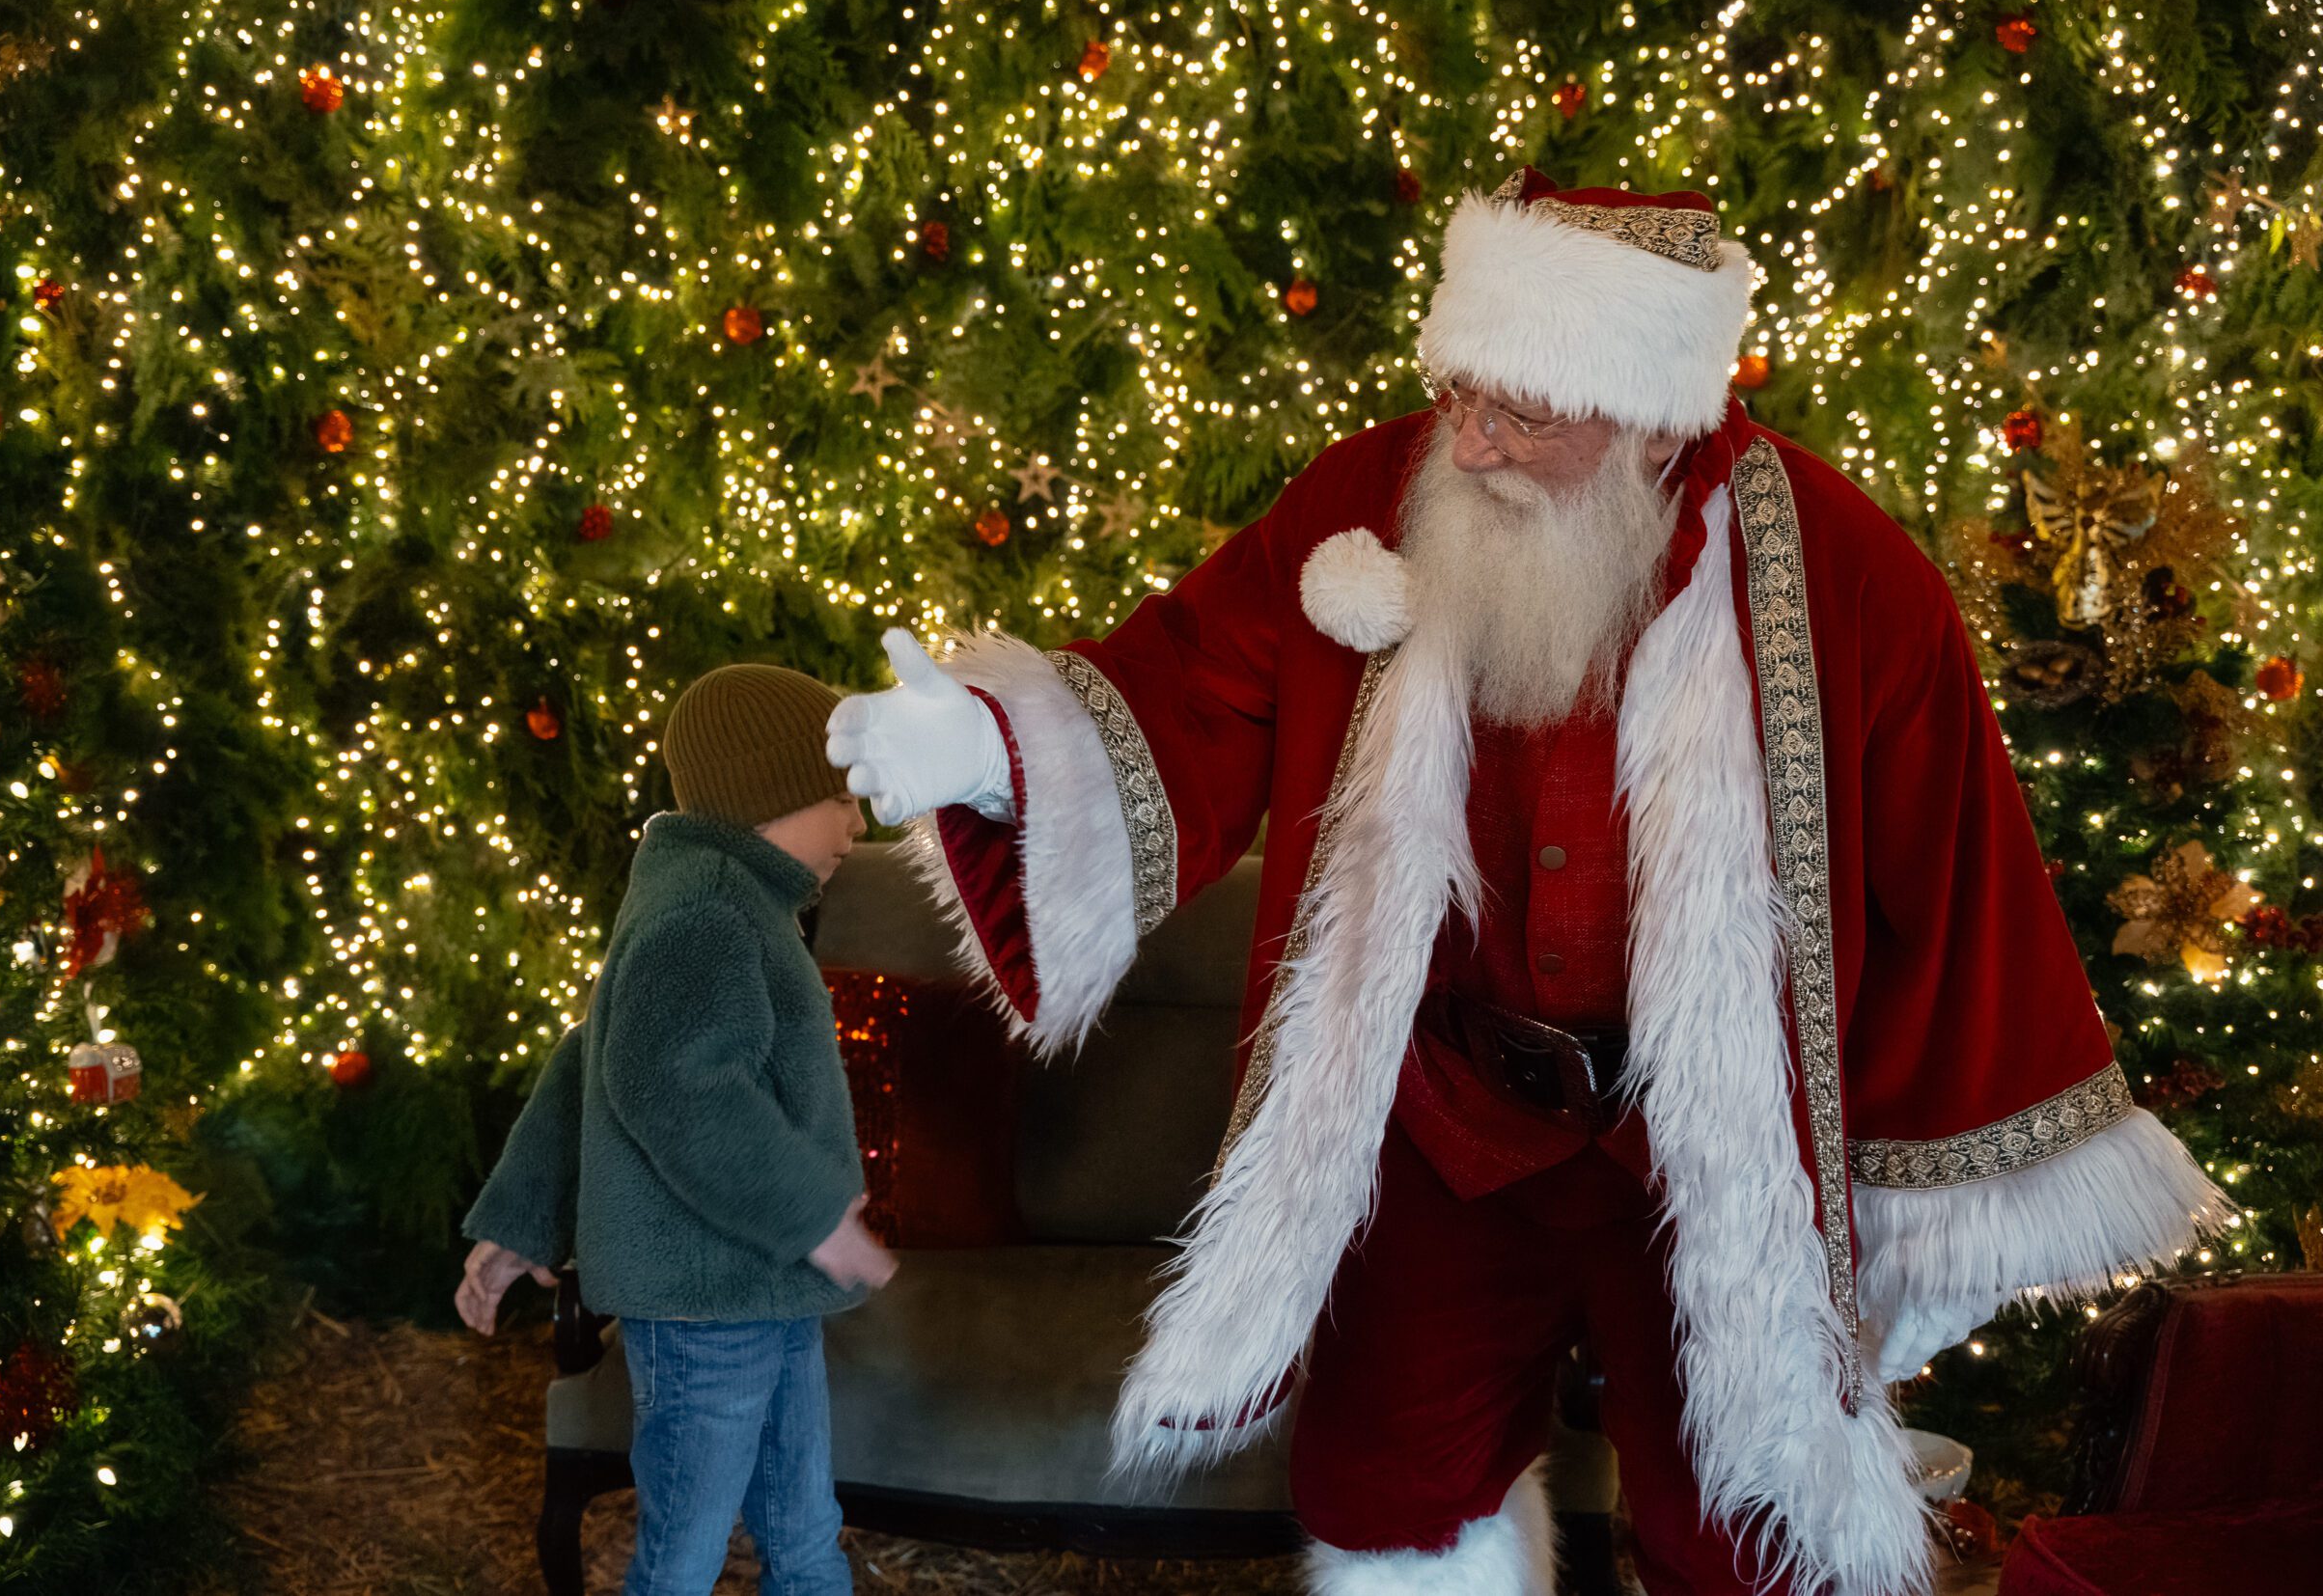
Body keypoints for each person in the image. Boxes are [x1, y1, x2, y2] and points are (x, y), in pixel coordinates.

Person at [825, 168, 2230, 1596]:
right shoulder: (1367, 501)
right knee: (1388, 1482)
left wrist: (1922, 1203)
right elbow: (1193, 681)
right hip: (1446, 1114)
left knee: (1746, 1519)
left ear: (1650, 411)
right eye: (1462, 392)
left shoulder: (1843, 572)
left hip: (1701, 1141)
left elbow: (1959, 882)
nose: (1476, 441)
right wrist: (990, 749)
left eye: (1527, 411)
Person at [456, 663, 896, 1596]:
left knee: (805, 1525)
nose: (858, 827)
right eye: (841, 800)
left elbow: (590, 1056)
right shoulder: (705, 911)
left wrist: (520, 1222)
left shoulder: (727, 901)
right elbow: (673, 1087)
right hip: (705, 1301)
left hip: (767, 1286)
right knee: (686, 1549)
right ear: (769, 797)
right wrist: (816, 1213)